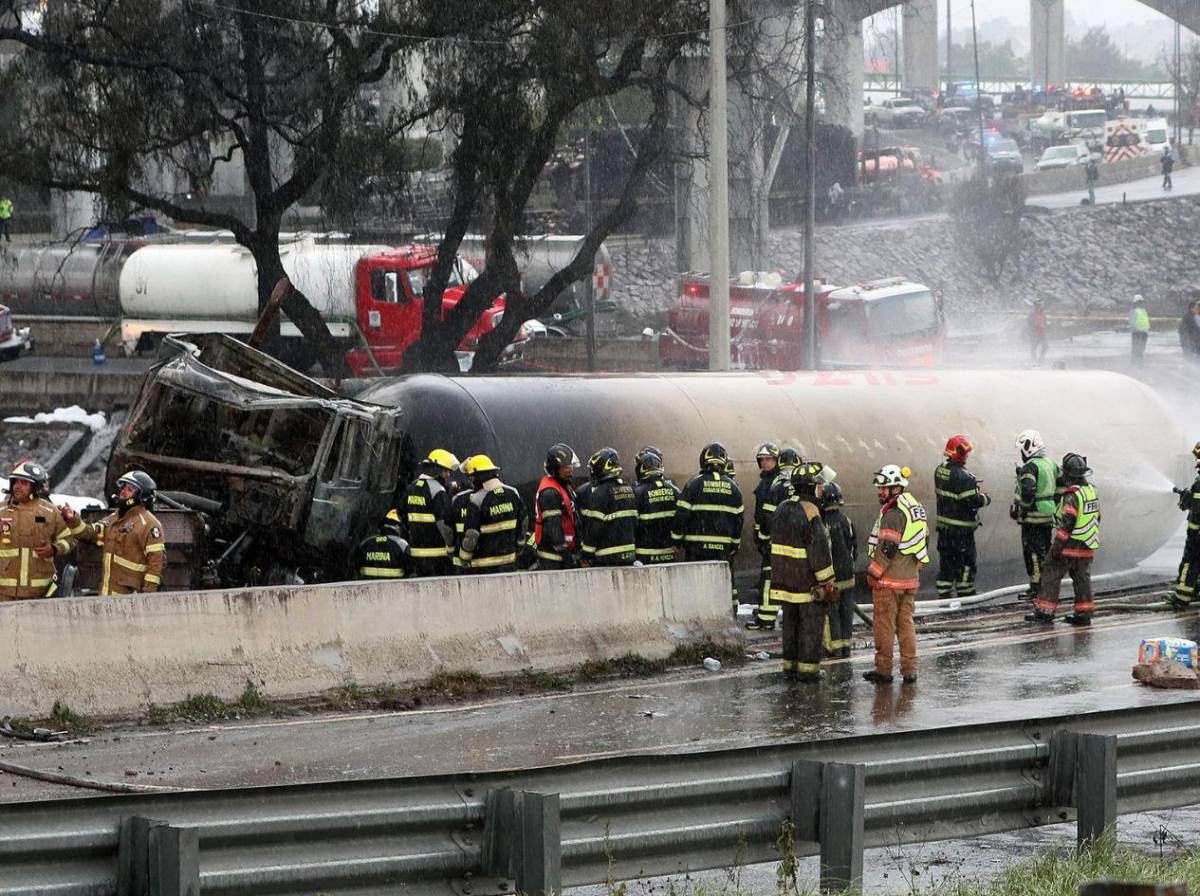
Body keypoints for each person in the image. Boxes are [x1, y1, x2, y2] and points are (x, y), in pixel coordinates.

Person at [769, 463, 837, 682]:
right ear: (811, 487)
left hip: (784, 583)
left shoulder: (781, 508)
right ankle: (808, 672)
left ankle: (790, 668)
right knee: (810, 627)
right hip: (806, 584)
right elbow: (818, 549)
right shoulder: (810, 511)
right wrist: (827, 580)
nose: (822, 489)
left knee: (790, 626)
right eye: (819, 485)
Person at [864, 464, 928, 685]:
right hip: (909, 578)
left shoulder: (893, 512)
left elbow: (887, 548)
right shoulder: (914, 505)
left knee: (884, 625)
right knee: (906, 625)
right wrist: (916, 565)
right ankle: (909, 670)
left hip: (890, 580)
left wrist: (874, 573)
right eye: (880, 487)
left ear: (896, 488)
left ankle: (883, 670)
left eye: (885, 488)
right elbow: (923, 538)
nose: (880, 492)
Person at [62, 470, 165, 595]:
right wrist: (72, 518)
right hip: (107, 595)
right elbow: (90, 533)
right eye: (123, 487)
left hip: (130, 599)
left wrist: (146, 598)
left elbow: (155, 566)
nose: (123, 491)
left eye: (130, 489)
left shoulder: (149, 524)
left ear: (141, 495)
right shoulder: (114, 518)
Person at [1026, 453, 1100, 626]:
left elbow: (1067, 523)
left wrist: (1057, 547)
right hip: (1088, 544)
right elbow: (1098, 517)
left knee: (1051, 572)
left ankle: (1045, 611)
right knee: (1082, 579)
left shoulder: (1072, 495)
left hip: (1070, 545)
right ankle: (1084, 614)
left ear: (1069, 475)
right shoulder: (1091, 491)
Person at [673, 442, 745, 616]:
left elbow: (682, 515)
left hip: (696, 550)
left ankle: (695, 616)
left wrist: (676, 539)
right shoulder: (734, 488)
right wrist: (734, 545)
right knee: (721, 586)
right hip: (722, 551)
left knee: (694, 587)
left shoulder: (694, 484)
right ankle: (725, 616)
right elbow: (739, 521)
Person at [1, 460, 73, 600]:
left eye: (24, 483)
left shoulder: (50, 512)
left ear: (34, 487)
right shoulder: (1, 512)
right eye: (16, 482)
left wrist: (54, 549)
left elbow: (70, 539)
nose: (17, 486)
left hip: (39, 596)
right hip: (3, 595)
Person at [934, 435, 991, 599]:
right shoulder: (965, 477)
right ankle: (966, 595)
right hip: (962, 532)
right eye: (965, 453)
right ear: (958, 453)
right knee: (966, 562)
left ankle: (944, 594)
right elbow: (971, 501)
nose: (967, 457)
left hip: (945, 531)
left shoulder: (939, 471)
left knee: (946, 563)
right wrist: (985, 498)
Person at [1011, 429, 1059, 600]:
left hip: (1032, 519)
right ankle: (1046, 586)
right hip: (1047, 518)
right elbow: (1059, 488)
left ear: (1028, 446)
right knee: (1044, 552)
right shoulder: (1050, 463)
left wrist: (1020, 508)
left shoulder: (1030, 467)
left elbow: (1028, 493)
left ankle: (1037, 588)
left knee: (1033, 555)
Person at [458, 455, 527, 573]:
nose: (472, 482)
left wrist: (464, 558)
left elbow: (472, 535)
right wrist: (519, 546)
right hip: (509, 564)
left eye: (472, 478)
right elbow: (524, 523)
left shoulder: (477, 500)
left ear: (477, 477)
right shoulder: (513, 493)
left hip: (484, 568)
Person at [398, 449, 459, 577]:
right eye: (445, 471)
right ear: (436, 470)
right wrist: (452, 547)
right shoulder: (438, 491)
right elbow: (444, 526)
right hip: (437, 558)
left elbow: (401, 516)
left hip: (415, 556)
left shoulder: (411, 488)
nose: (448, 475)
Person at [579, 448, 637, 567]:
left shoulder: (600, 493)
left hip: (607, 558)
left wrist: (586, 556)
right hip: (629, 556)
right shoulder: (629, 489)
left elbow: (594, 527)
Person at [820, 481, 857, 660]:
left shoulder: (823, 523)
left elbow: (824, 551)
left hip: (832, 578)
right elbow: (853, 547)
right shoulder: (846, 520)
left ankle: (835, 650)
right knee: (846, 613)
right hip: (848, 576)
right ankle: (846, 649)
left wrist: (825, 577)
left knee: (832, 614)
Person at [748, 442, 781, 630]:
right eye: (762, 459)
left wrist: (762, 536)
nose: (765, 463)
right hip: (772, 537)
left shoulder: (771, 484)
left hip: (771, 539)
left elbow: (766, 515)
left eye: (769, 459)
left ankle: (766, 618)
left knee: (768, 577)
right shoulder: (768, 482)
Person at [534, 443, 580, 570]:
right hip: (553, 559)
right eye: (566, 466)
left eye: (571, 465)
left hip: (564, 554)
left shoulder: (564, 486)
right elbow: (553, 528)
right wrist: (565, 553)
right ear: (555, 468)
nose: (571, 469)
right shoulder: (549, 492)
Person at [633, 446, 679, 565]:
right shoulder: (674, 490)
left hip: (645, 554)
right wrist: (677, 541)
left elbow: (632, 524)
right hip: (669, 552)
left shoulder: (637, 492)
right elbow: (683, 517)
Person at [1169, 441, 1200, 609]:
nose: (1197, 463)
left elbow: (1197, 507)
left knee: (1190, 563)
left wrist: (1187, 499)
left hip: (1197, 533)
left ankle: (1182, 598)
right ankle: (1196, 591)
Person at [354, 509, 411, 580]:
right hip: (395, 588)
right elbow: (410, 570)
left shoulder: (365, 543)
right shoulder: (402, 545)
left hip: (367, 588)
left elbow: (355, 566)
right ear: (398, 527)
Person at [1027, 297, 1048, 365]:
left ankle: (1041, 359)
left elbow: (1044, 321)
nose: (1040, 306)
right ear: (1035, 305)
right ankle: (1033, 360)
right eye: (1039, 305)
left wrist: (1045, 325)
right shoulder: (1032, 313)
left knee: (1045, 346)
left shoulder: (1043, 313)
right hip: (1034, 333)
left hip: (1042, 332)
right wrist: (1038, 325)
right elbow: (1030, 323)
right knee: (1034, 347)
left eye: (1041, 304)